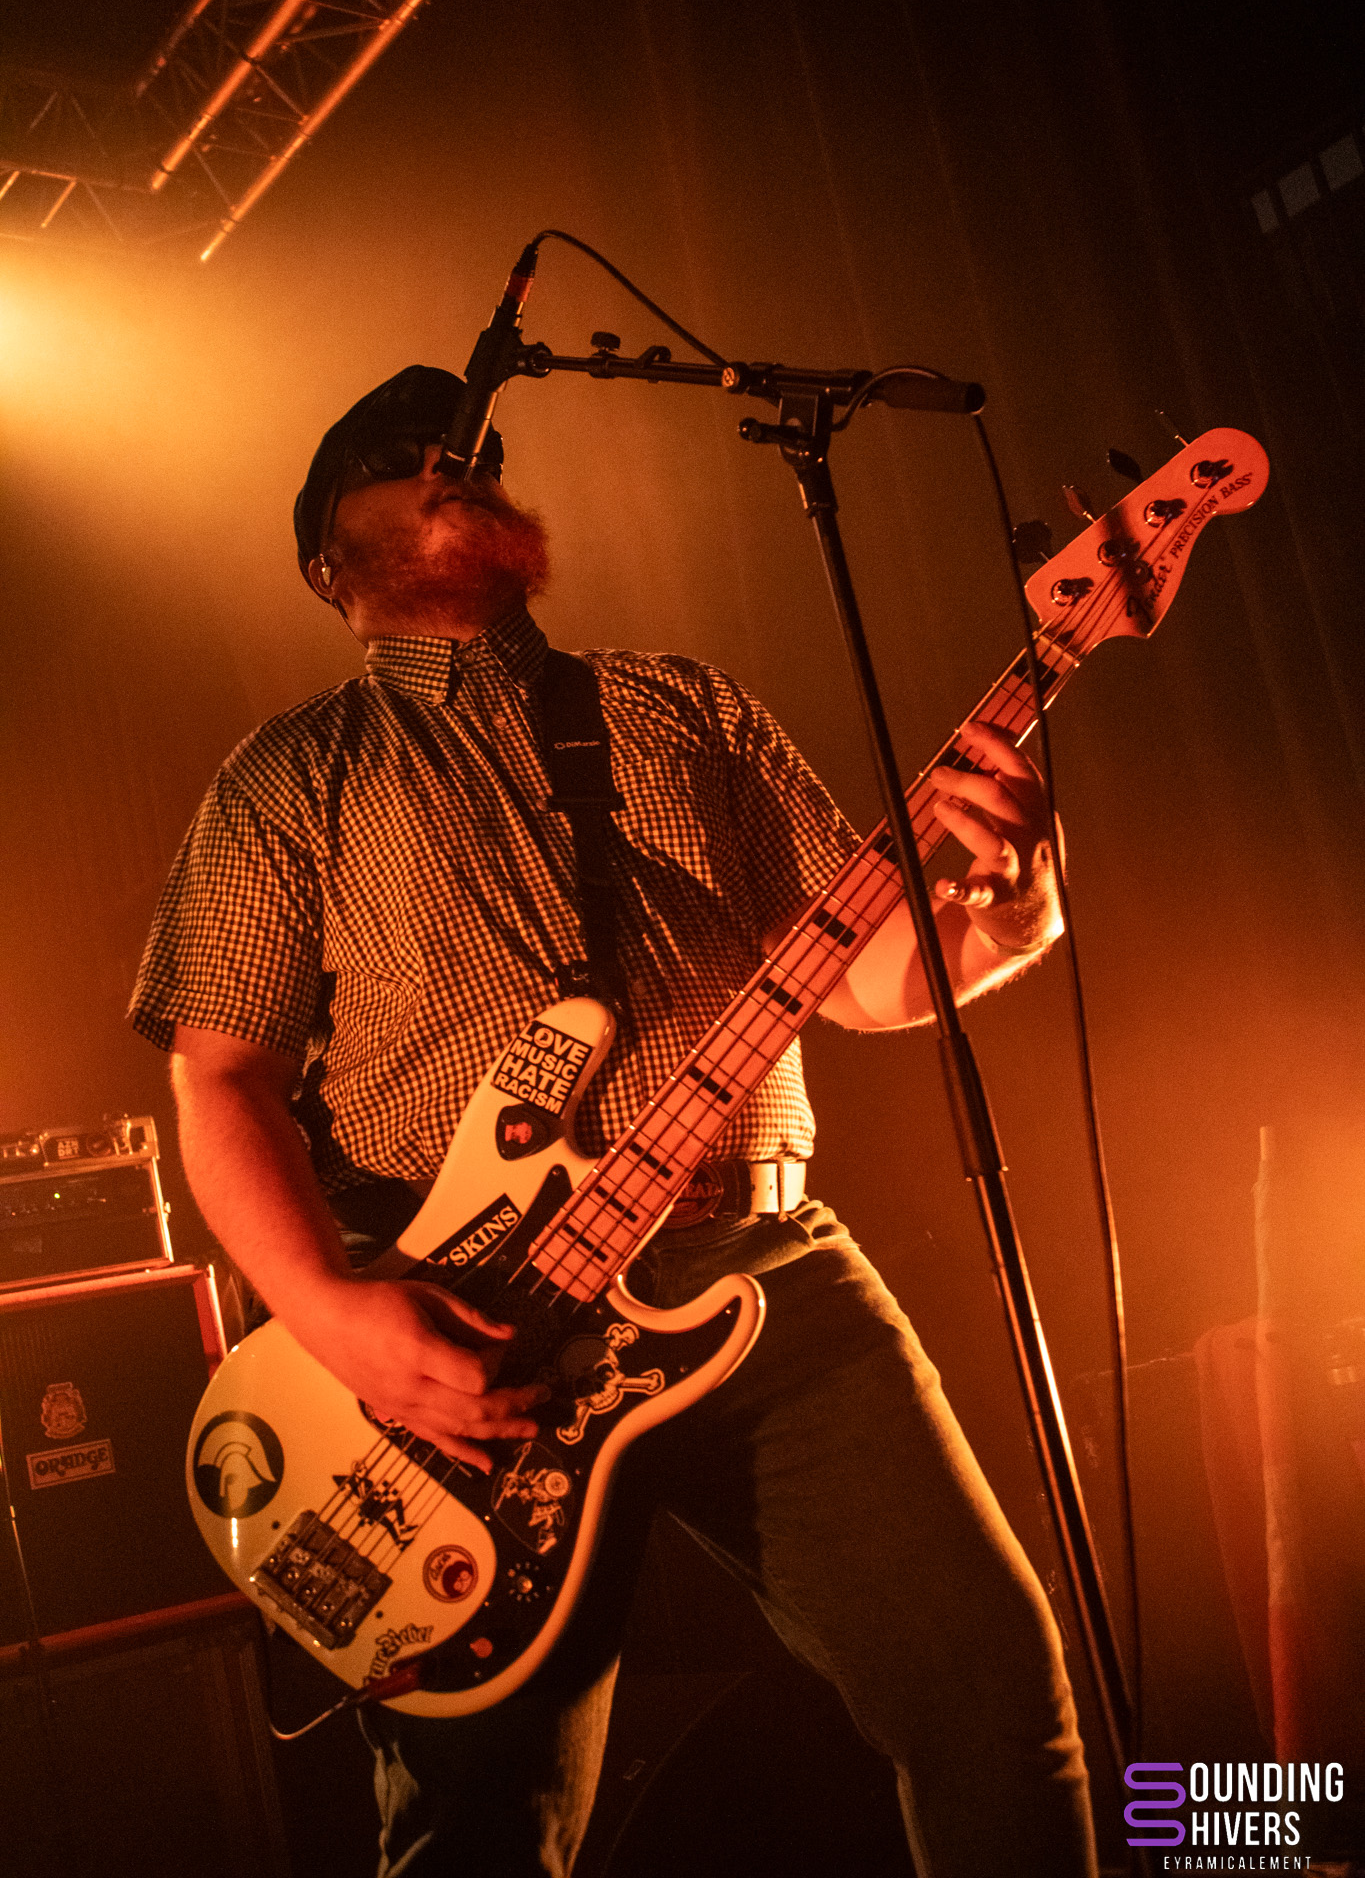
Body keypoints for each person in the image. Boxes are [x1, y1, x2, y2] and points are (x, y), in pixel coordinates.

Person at [131, 365, 1097, 1877]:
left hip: (759, 1270)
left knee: (995, 1701)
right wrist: (326, 1310)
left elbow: (864, 979)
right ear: (327, 561)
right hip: (467, 1329)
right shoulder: (287, 776)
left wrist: (1009, 913)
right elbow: (221, 1076)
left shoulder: (684, 704)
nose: (449, 462)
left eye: (468, 448)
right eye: (396, 458)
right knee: (485, 1826)